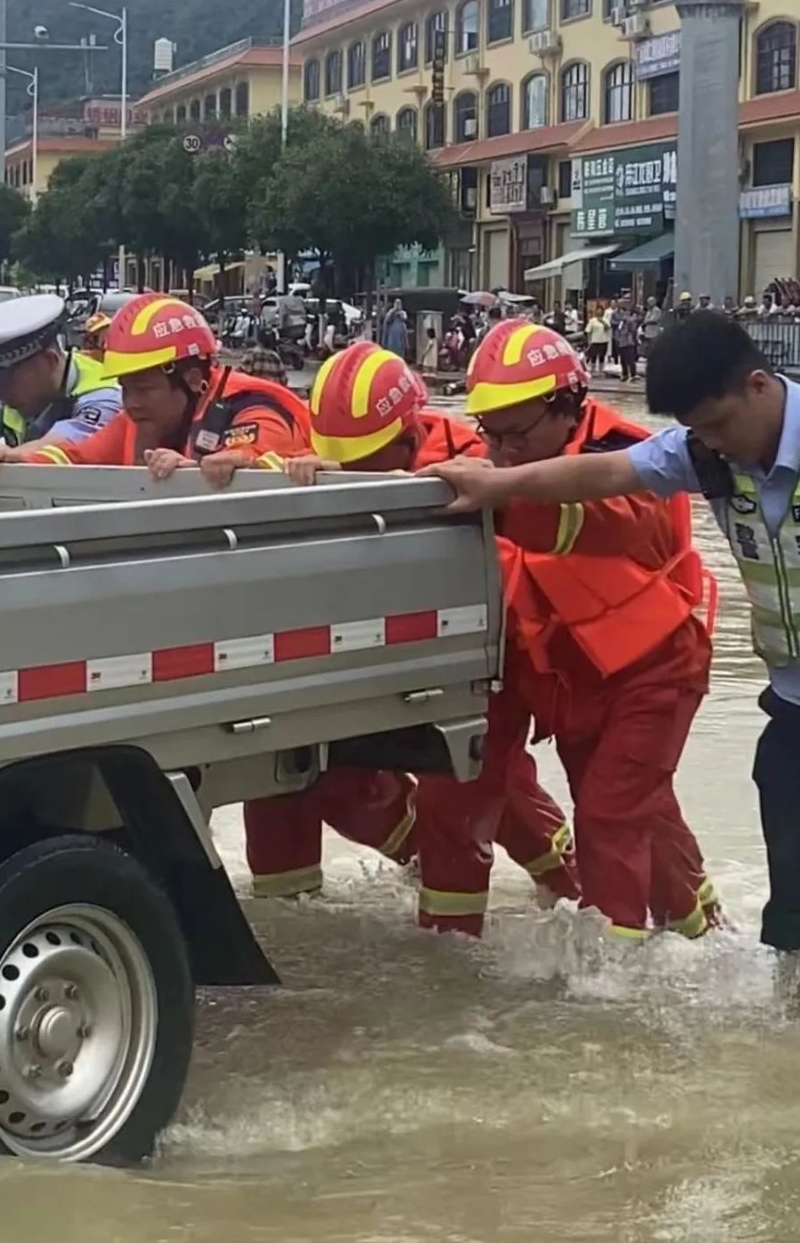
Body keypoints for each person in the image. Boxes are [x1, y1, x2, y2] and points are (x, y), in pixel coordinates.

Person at [426, 312, 800, 999]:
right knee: (797, 916)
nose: (712, 446)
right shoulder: (705, 449)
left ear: (759, 386)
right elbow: (609, 471)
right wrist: (499, 485)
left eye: (719, 425)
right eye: (698, 432)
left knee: (615, 815)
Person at [248, 341, 581, 925]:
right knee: (338, 783)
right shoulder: (328, 459)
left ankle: (568, 885)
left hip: (490, 652)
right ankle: (421, 883)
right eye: (342, 461)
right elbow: (269, 466)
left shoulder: (477, 459)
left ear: (408, 438)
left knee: (486, 786)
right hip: (384, 651)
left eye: (366, 461)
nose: (353, 474)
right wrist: (255, 468)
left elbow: (529, 540)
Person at [422, 320, 718, 940]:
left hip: (643, 673)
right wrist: (313, 472)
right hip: (543, 665)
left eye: (517, 435)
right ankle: (444, 949)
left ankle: (630, 964)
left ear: (568, 407)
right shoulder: (491, 454)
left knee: (612, 815)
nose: (503, 450)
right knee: (454, 794)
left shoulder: (632, 456)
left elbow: (606, 523)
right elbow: (414, 473)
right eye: (491, 433)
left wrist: (499, 493)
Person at [8, 293, 311, 485]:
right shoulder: (138, 418)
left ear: (193, 380)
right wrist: (15, 460)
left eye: (144, 389)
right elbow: (78, 457)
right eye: (125, 389)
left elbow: (262, 453)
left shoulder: (253, 404)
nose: (131, 402)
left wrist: (196, 470)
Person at [0, 294, 122, 477]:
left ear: (49, 361)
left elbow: (55, 448)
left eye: (9, 381)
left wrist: (8, 455)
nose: (1, 392)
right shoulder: (10, 394)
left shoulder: (104, 397)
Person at [586, 302, 610, 371]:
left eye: (601, 310)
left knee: (602, 356)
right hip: (595, 341)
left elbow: (608, 327)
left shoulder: (605, 320)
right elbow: (588, 331)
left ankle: (601, 369)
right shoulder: (592, 320)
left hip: (604, 341)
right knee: (593, 356)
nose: (599, 312)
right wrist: (589, 341)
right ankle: (593, 369)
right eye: (598, 310)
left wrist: (602, 321)